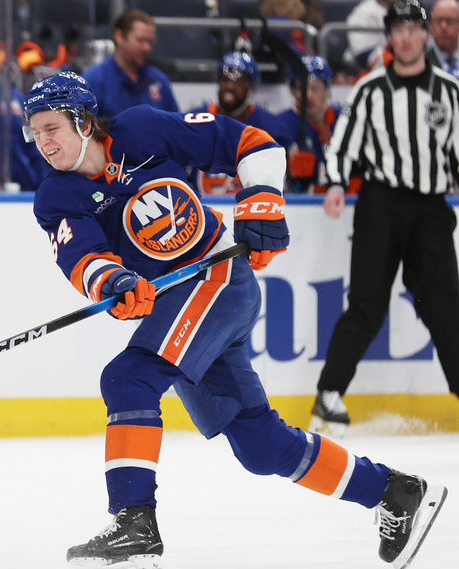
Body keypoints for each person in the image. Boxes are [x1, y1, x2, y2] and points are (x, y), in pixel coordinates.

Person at [22, 71, 447, 569]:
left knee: (128, 378)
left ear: (84, 122)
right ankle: (393, 491)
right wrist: (114, 281)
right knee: (260, 446)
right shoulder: (56, 196)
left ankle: (134, 527)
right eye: (35, 132)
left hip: (217, 277)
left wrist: (262, 196)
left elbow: (248, 141)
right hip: (178, 304)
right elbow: (83, 257)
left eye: (51, 127)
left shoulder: (143, 128)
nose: (43, 142)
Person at [315, 0, 459, 433]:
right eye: (399, 30)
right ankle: (328, 395)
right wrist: (336, 184)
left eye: (414, 29)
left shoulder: (450, 91)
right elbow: (343, 145)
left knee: (446, 307)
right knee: (367, 303)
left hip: (431, 209)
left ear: (425, 35)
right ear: (390, 37)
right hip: (381, 205)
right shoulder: (370, 90)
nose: (407, 38)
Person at [188, 52, 293, 195]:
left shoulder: (270, 127)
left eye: (239, 81)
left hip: (250, 205)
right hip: (201, 204)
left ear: (251, 87)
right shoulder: (195, 120)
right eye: (225, 79)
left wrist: (295, 172)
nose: (230, 86)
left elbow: (286, 177)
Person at [275, 55, 357, 193]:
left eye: (315, 88)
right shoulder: (280, 126)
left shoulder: (344, 120)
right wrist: (291, 176)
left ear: (327, 89)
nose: (308, 95)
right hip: (302, 203)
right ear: (293, 91)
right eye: (302, 88)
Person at [81, 9, 178, 120]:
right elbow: (84, 127)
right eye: (140, 40)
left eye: (150, 42)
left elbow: (175, 125)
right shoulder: (94, 81)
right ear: (119, 36)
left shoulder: (159, 80)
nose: (147, 48)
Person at [345, 0, 394, 71]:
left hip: (394, 64)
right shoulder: (363, 12)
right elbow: (362, 54)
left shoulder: (406, 9)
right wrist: (393, 58)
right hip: (358, 68)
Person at [426, 0, 459, 77]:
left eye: (449, 21)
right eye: (438, 20)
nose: (443, 27)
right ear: (430, 26)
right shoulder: (423, 63)